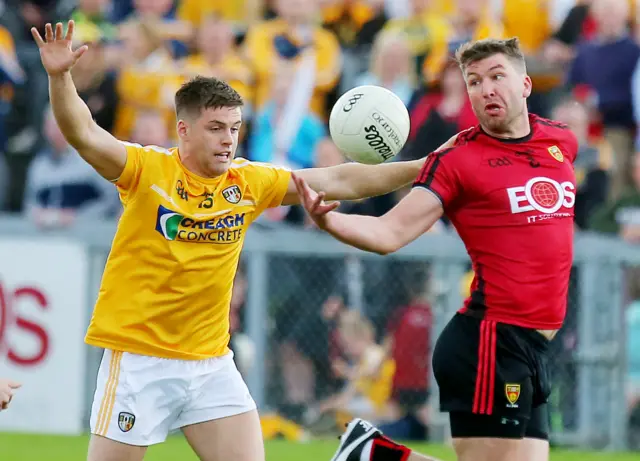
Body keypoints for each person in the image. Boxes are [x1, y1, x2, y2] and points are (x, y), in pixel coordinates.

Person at [31, 20, 429, 461]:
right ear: (183, 130)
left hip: (209, 364)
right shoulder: (147, 171)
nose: (228, 140)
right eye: (216, 128)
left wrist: (425, 166)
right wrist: (59, 76)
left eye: (235, 128)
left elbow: (339, 179)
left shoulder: (248, 181)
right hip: (139, 362)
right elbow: (83, 134)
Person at [295, 37, 578, 461]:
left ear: (525, 85)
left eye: (497, 77)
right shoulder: (460, 159)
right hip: (490, 342)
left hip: (533, 347)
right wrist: (329, 219)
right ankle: (368, 455)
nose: (486, 90)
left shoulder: (560, 141)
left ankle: (370, 454)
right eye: (474, 82)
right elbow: (389, 233)